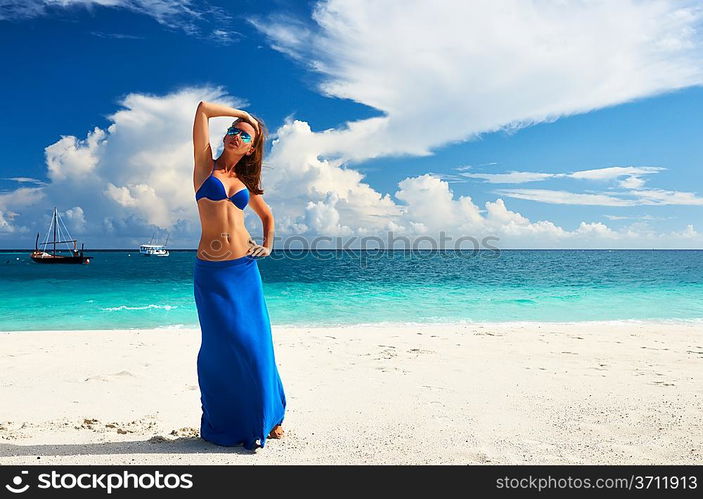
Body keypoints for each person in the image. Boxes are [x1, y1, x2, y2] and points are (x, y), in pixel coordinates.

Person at [191, 100, 286, 450]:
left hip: (244, 270)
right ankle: (226, 422)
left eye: (243, 135)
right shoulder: (205, 167)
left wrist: (268, 245)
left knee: (255, 343)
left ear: (250, 149)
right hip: (212, 275)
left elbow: (268, 218)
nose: (235, 135)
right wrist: (244, 115)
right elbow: (202, 110)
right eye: (232, 131)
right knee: (219, 348)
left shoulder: (245, 180)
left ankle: (269, 417)